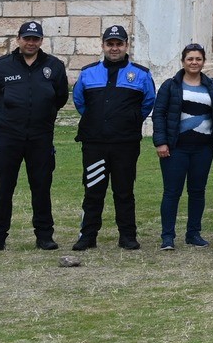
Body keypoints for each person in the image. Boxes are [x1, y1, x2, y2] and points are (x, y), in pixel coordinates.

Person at [65, 23, 156, 251]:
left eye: (119, 44)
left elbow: (147, 103)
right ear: (103, 45)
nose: (114, 48)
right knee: (93, 190)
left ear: (127, 45)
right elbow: (80, 102)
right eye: (110, 44)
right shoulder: (88, 73)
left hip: (125, 143)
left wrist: (128, 120)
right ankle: (88, 236)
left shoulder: (142, 75)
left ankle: (127, 236)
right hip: (95, 143)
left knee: (124, 191)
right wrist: (97, 121)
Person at [0, 20, 69, 253]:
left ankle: (44, 236)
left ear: (41, 41)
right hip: (8, 137)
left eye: (35, 38)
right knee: (4, 188)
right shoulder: (0, 67)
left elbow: (59, 98)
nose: (31, 42)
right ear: (18, 39)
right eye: (27, 38)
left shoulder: (54, 66)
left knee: (41, 187)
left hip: (40, 137)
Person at [151, 43, 213, 249]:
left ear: (203, 62)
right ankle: (167, 236)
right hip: (175, 148)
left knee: (198, 192)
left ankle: (193, 233)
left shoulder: (211, 85)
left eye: (198, 59)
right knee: (171, 192)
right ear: (183, 61)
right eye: (190, 59)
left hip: (203, 148)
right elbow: (159, 114)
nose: (194, 63)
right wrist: (161, 142)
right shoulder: (170, 85)